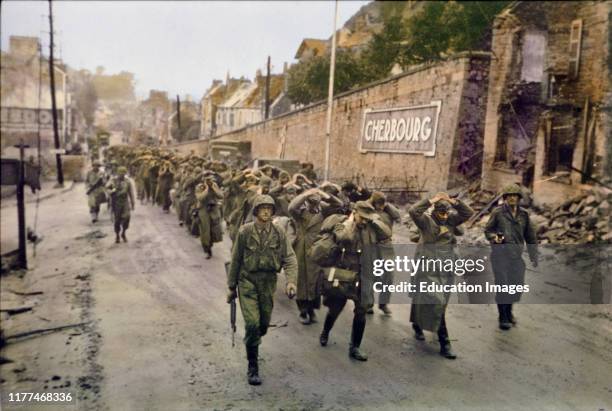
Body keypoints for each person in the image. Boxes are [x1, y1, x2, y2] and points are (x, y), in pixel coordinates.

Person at [226, 195, 298, 385]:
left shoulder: (279, 232)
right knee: (252, 324)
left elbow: (289, 258)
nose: (266, 211)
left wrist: (291, 281)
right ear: (256, 211)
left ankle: (255, 338)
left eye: (269, 208)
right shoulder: (245, 231)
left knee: (262, 324)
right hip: (247, 281)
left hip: (268, 282)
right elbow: (236, 260)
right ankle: (253, 367)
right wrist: (231, 287)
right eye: (262, 208)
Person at [318, 201, 391, 361]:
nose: (364, 221)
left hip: (364, 274)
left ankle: (355, 347)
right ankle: (325, 332)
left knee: (361, 311)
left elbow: (386, 233)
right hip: (345, 274)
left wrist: (375, 220)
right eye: (362, 217)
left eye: (367, 218)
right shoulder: (344, 224)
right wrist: (350, 221)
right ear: (354, 213)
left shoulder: (371, 226)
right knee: (336, 308)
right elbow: (343, 237)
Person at [408, 192, 474, 359]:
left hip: (446, 268)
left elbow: (468, 213)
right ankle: (445, 343)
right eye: (440, 212)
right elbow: (413, 211)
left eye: (446, 212)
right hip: (429, 268)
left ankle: (417, 322)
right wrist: (432, 200)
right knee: (436, 301)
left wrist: (453, 201)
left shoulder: (451, 221)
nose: (444, 216)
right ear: (435, 211)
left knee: (441, 302)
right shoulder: (425, 222)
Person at [485, 184, 538, 330]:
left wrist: (534, 255)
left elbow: (530, 236)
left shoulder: (524, 215)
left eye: (515, 195)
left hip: (516, 256)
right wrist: (494, 237)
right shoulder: (498, 213)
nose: (512, 198)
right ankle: (503, 316)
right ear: (505, 198)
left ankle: (509, 311)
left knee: (516, 286)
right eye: (509, 196)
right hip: (500, 255)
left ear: (519, 198)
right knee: (503, 285)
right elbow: (488, 230)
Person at [288, 188, 328, 325]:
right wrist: (305, 195)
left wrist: (323, 193)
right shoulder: (300, 214)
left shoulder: (324, 214)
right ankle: (303, 310)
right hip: (301, 248)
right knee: (302, 279)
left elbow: (339, 205)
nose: (313, 206)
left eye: (315, 203)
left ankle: (312, 309)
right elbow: (291, 207)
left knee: (316, 280)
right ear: (307, 203)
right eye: (310, 203)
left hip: (317, 249)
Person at [368, 191, 402, 315]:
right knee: (370, 275)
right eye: (378, 203)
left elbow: (398, 216)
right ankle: (368, 304)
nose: (380, 206)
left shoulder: (389, 212)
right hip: (371, 246)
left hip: (386, 246)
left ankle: (383, 304)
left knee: (388, 276)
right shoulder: (368, 211)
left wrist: (386, 204)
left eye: (382, 203)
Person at [195, 174, 224, 259]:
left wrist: (214, 189)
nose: (209, 182)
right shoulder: (200, 187)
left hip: (213, 210)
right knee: (205, 231)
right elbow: (200, 198)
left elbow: (221, 196)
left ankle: (209, 245)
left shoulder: (215, 186)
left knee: (214, 230)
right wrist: (207, 189)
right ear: (204, 180)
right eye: (207, 180)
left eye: (210, 180)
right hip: (203, 210)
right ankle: (207, 250)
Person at [106, 166, 135, 244]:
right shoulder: (113, 180)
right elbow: (107, 188)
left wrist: (133, 203)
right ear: (117, 173)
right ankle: (117, 235)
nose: (122, 174)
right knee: (117, 220)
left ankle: (124, 233)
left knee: (127, 217)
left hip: (125, 202)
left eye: (123, 173)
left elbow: (131, 193)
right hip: (116, 202)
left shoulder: (128, 181)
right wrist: (112, 191)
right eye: (120, 172)